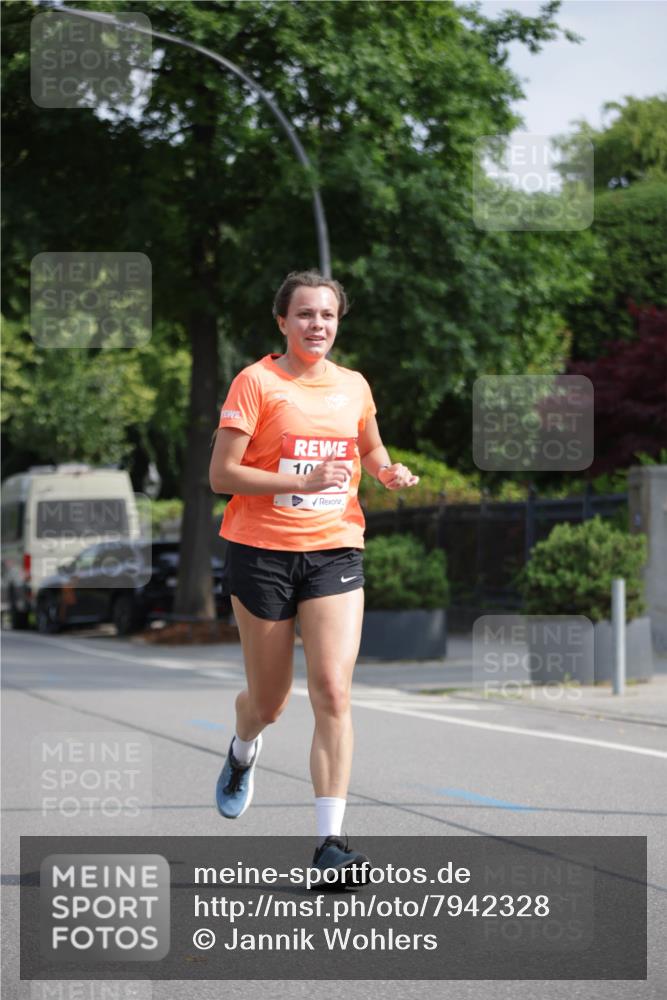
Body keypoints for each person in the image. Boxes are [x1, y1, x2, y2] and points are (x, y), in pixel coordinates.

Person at [209, 269, 419, 885]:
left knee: (332, 690)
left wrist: (386, 472)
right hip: (261, 552)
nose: (317, 325)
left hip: (335, 549)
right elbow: (222, 474)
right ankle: (242, 747)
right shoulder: (256, 382)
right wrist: (299, 481)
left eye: (327, 315)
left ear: (337, 322)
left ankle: (331, 843)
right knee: (269, 702)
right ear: (283, 322)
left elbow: (369, 448)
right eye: (304, 314)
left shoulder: (353, 385)